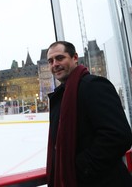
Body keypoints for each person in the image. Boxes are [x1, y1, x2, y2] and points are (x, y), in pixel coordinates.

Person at [45, 41, 132, 187]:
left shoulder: (94, 86)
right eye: (50, 61)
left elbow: (119, 136)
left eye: (60, 58)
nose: (55, 64)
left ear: (75, 58)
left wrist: (80, 168)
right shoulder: (61, 96)